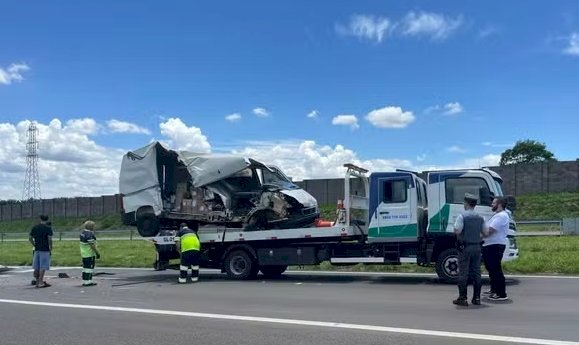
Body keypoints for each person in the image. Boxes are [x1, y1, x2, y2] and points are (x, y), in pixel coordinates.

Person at [452, 193, 489, 306]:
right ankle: (476, 298)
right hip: (477, 247)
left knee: (463, 273)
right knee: (476, 272)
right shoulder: (480, 217)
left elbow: (457, 231)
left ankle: (462, 298)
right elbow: (486, 233)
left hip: (465, 247)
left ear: (466, 203)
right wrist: (477, 238)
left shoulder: (462, 216)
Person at [483, 197, 510, 301]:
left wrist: (480, 235)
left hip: (495, 245)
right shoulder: (497, 215)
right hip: (490, 245)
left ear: (499, 204)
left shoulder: (501, 216)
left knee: (496, 269)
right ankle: (494, 289)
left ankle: (501, 293)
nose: (491, 204)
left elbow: (490, 230)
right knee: (491, 269)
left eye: (493, 203)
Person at [29, 215, 53, 288]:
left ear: (40, 219)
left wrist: (34, 244)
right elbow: (49, 239)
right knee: (43, 266)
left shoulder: (35, 227)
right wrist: (50, 247)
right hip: (45, 249)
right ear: (47, 219)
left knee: (37, 265)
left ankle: (36, 281)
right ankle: (40, 282)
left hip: (37, 248)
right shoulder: (48, 228)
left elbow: (30, 238)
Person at [79, 220, 101, 287]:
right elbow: (92, 245)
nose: (95, 227)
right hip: (89, 254)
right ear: (91, 227)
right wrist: (97, 253)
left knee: (85, 268)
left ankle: (85, 280)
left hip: (84, 253)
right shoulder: (90, 234)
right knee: (89, 268)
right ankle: (88, 282)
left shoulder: (82, 233)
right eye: (94, 226)